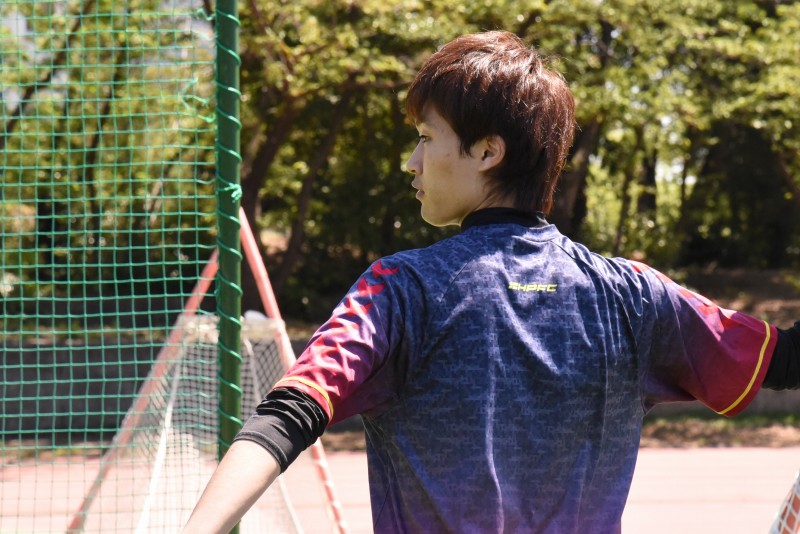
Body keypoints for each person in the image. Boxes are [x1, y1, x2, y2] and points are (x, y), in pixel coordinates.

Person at [183, 31, 800, 533]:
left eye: (426, 138)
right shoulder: (633, 296)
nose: (411, 162)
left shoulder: (400, 289)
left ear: (487, 152)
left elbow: (290, 411)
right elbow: (785, 358)